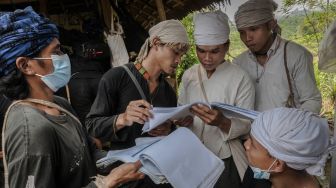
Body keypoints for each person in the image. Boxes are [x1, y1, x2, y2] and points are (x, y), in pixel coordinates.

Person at [0, 7, 144, 188]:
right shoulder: (30, 131)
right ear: (26, 66)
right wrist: (106, 183)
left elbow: (89, 154)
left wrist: (134, 158)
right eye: (56, 51)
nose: (64, 57)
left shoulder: (60, 105)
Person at [85, 20, 189, 187]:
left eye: (181, 55)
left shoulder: (168, 91)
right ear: (156, 43)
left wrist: (169, 128)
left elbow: (170, 137)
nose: (178, 60)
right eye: (175, 52)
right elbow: (92, 126)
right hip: (125, 178)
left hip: (158, 177)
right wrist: (122, 118)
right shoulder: (116, 77)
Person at [177, 11, 255, 188]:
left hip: (224, 158)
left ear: (226, 47)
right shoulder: (189, 75)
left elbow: (246, 124)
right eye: (201, 50)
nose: (207, 58)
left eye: (214, 51)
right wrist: (182, 119)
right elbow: (181, 108)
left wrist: (222, 122)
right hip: (193, 153)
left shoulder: (240, 78)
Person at [233, 0, 322, 113]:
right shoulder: (239, 63)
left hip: (291, 128)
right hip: (253, 130)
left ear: (271, 24)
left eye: (253, 29)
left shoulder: (296, 55)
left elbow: (312, 101)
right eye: (241, 32)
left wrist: (293, 125)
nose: (247, 38)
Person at [244, 107, 335, 188]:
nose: (246, 145)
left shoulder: (261, 172)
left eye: (252, 145)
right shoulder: (257, 174)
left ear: (278, 164)